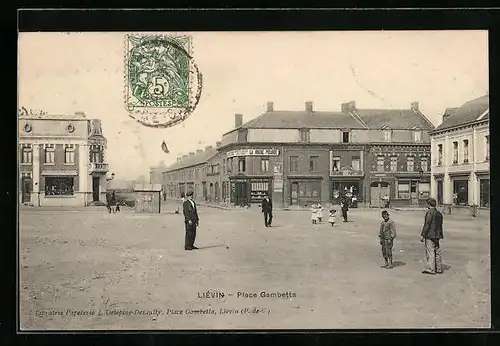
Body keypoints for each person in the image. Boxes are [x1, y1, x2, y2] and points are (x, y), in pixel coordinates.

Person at [420, 198, 444, 275]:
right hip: (437, 235)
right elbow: (440, 225)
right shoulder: (439, 213)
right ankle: (439, 268)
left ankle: (431, 268)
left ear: (429, 204)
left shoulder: (429, 213)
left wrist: (422, 235)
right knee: (437, 252)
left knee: (430, 252)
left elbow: (427, 224)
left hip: (430, 235)